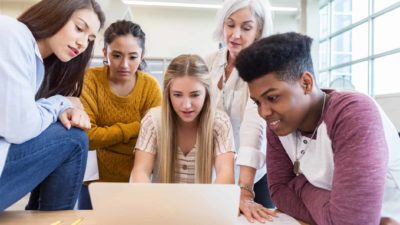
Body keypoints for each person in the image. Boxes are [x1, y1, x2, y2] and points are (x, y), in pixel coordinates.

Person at [235, 32, 400, 225]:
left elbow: (352, 222)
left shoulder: (353, 113)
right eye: (257, 102)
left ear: (306, 83)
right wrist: (334, 209)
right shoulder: (278, 123)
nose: (263, 112)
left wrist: (297, 185)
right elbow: (279, 193)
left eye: (272, 98)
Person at [0, 0, 105, 211]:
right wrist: (61, 103)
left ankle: (40, 215)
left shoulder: (40, 65)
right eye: (79, 28)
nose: (83, 43)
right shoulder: (11, 33)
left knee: (65, 132)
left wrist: (60, 107)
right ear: (57, 12)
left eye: (90, 38)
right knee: (73, 139)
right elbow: (19, 127)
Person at [78, 20, 162, 209]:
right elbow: (87, 138)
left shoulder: (150, 87)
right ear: (105, 53)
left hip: (138, 182)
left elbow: (154, 139)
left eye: (133, 57)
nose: (124, 64)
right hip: (93, 186)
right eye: (116, 55)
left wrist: (106, 139)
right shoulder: (90, 80)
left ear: (142, 56)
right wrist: (135, 128)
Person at [205, 0, 276, 222]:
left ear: (259, 31)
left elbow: (253, 129)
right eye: (230, 25)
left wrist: (244, 190)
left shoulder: (263, 70)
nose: (235, 34)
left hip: (253, 175)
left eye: (246, 28)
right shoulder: (209, 63)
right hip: (216, 170)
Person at [130, 54, 235, 184]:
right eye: (177, 95)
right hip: (159, 203)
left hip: (206, 203)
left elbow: (226, 173)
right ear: (168, 94)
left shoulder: (220, 123)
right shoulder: (152, 121)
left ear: (206, 93)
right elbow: (140, 171)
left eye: (195, 95)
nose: (186, 105)